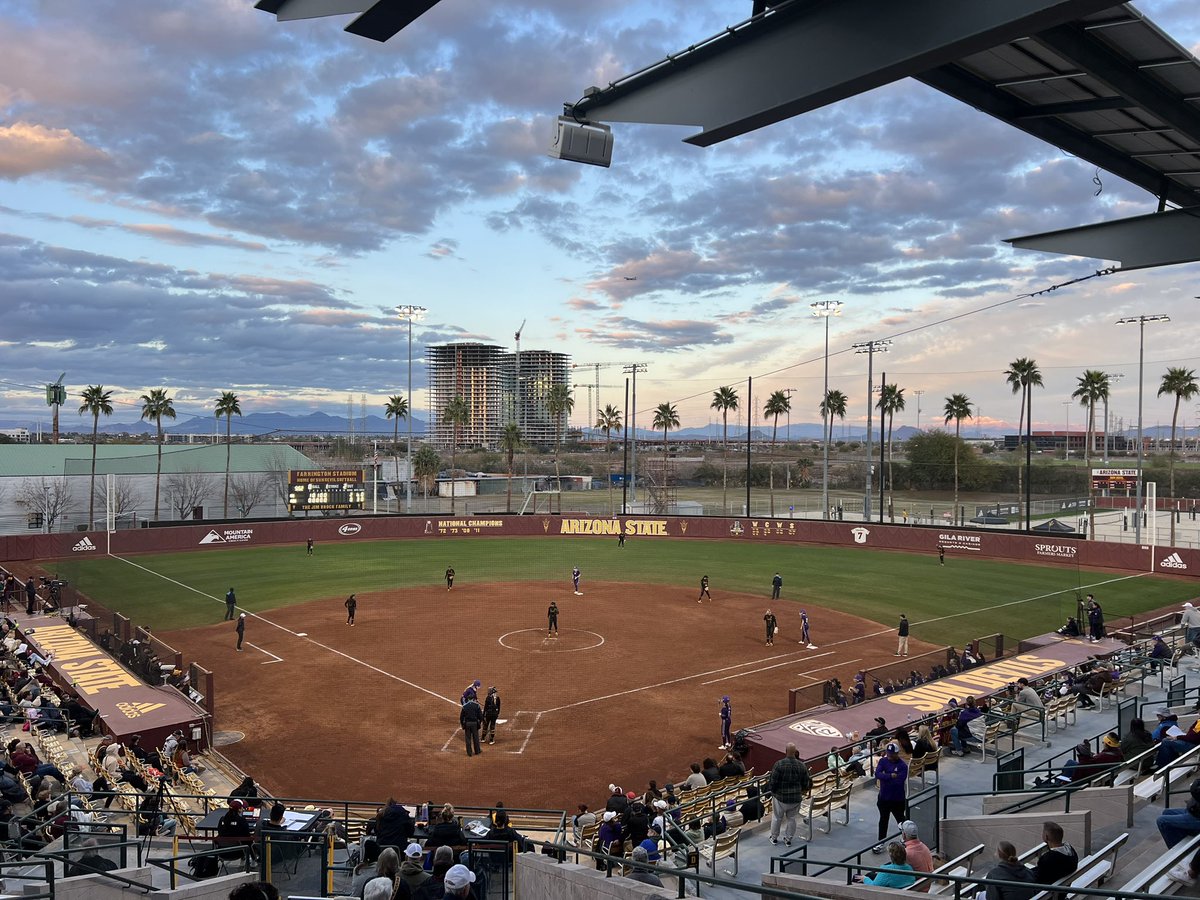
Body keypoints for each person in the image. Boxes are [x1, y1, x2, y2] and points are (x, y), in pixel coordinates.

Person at [767, 742, 811, 847]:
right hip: (795, 798)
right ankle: (788, 839)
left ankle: (774, 838)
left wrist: (773, 792)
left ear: (786, 751)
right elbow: (806, 784)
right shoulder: (802, 765)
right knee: (792, 819)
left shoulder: (779, 764)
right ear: (795, 752)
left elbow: (773, 782)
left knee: (777, 818)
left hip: (780, 798)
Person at [873, 743, 908, 852]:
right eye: (888, 754)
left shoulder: (903, 766)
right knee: (883, 820)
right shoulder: (883, 761)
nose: (889, 756)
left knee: (901, 820)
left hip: (897, 799)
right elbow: (877, 774)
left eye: (891, 754)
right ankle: (881, 842)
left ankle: (906, 839)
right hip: (884, 798)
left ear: (897, 754)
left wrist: (885, 778)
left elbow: (899, 781)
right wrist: (889, 776)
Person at [1158, 779, 1200, 847]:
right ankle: (1186, 837)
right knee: (1166, 812)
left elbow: (1195, 790)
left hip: (1197, 817)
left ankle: (1179, 851)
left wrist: (1196, 783)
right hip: (1194, 810)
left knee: (1161, 821)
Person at [899, 820, 933, 891]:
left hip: (918, 888)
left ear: (904, 835)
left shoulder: (906, 853)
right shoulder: (924, 847)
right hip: (927, 884)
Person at [460, 692, 483, 757]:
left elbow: (461, 717)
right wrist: (479, 723)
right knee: (475, 738)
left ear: (468, 699)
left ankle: (469, 752)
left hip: (467, 724)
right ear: (473, 699)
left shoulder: (464, 706)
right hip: (474, 724)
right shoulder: (477, 706)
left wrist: (462, 724)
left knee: (468, 738)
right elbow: (480, 716)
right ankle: (477, 751)